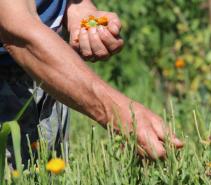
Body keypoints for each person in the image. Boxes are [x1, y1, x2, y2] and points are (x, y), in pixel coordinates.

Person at [0, 0, 183, 167]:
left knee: (46, 172)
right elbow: (17, 32)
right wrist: (116, 112)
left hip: (53, 66)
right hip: (14, 74)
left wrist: (77, 8)